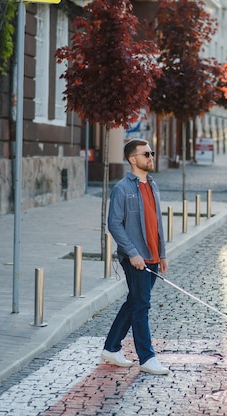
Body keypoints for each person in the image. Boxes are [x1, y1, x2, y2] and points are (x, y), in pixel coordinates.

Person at [101, 139, 169, 375]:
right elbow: (114, 224)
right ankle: (147, 357)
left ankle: (111, 347)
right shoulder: (122, 189)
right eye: (146, 154)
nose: (151, 157)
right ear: (133, 159)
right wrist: (132, 253)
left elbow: (158, 223)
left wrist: (162, 254)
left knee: (134, 302)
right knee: (142, 305)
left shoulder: (153, 185)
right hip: (136, 258)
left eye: (151, 153)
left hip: (152, 256)